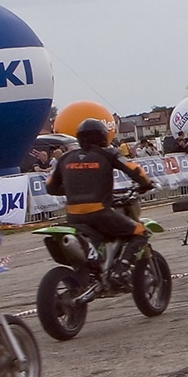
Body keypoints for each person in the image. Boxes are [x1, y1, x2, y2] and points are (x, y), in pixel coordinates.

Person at [46, 118, 155, 283]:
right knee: (140, 231)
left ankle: (98, 269)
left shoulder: (65, 158)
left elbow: (50, 187)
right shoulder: (108, 154)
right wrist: (146, 183)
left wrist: (73, 190)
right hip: (99, 213)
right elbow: (133, 169)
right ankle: (121, 271)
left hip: (73, 216)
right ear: (102, 136)